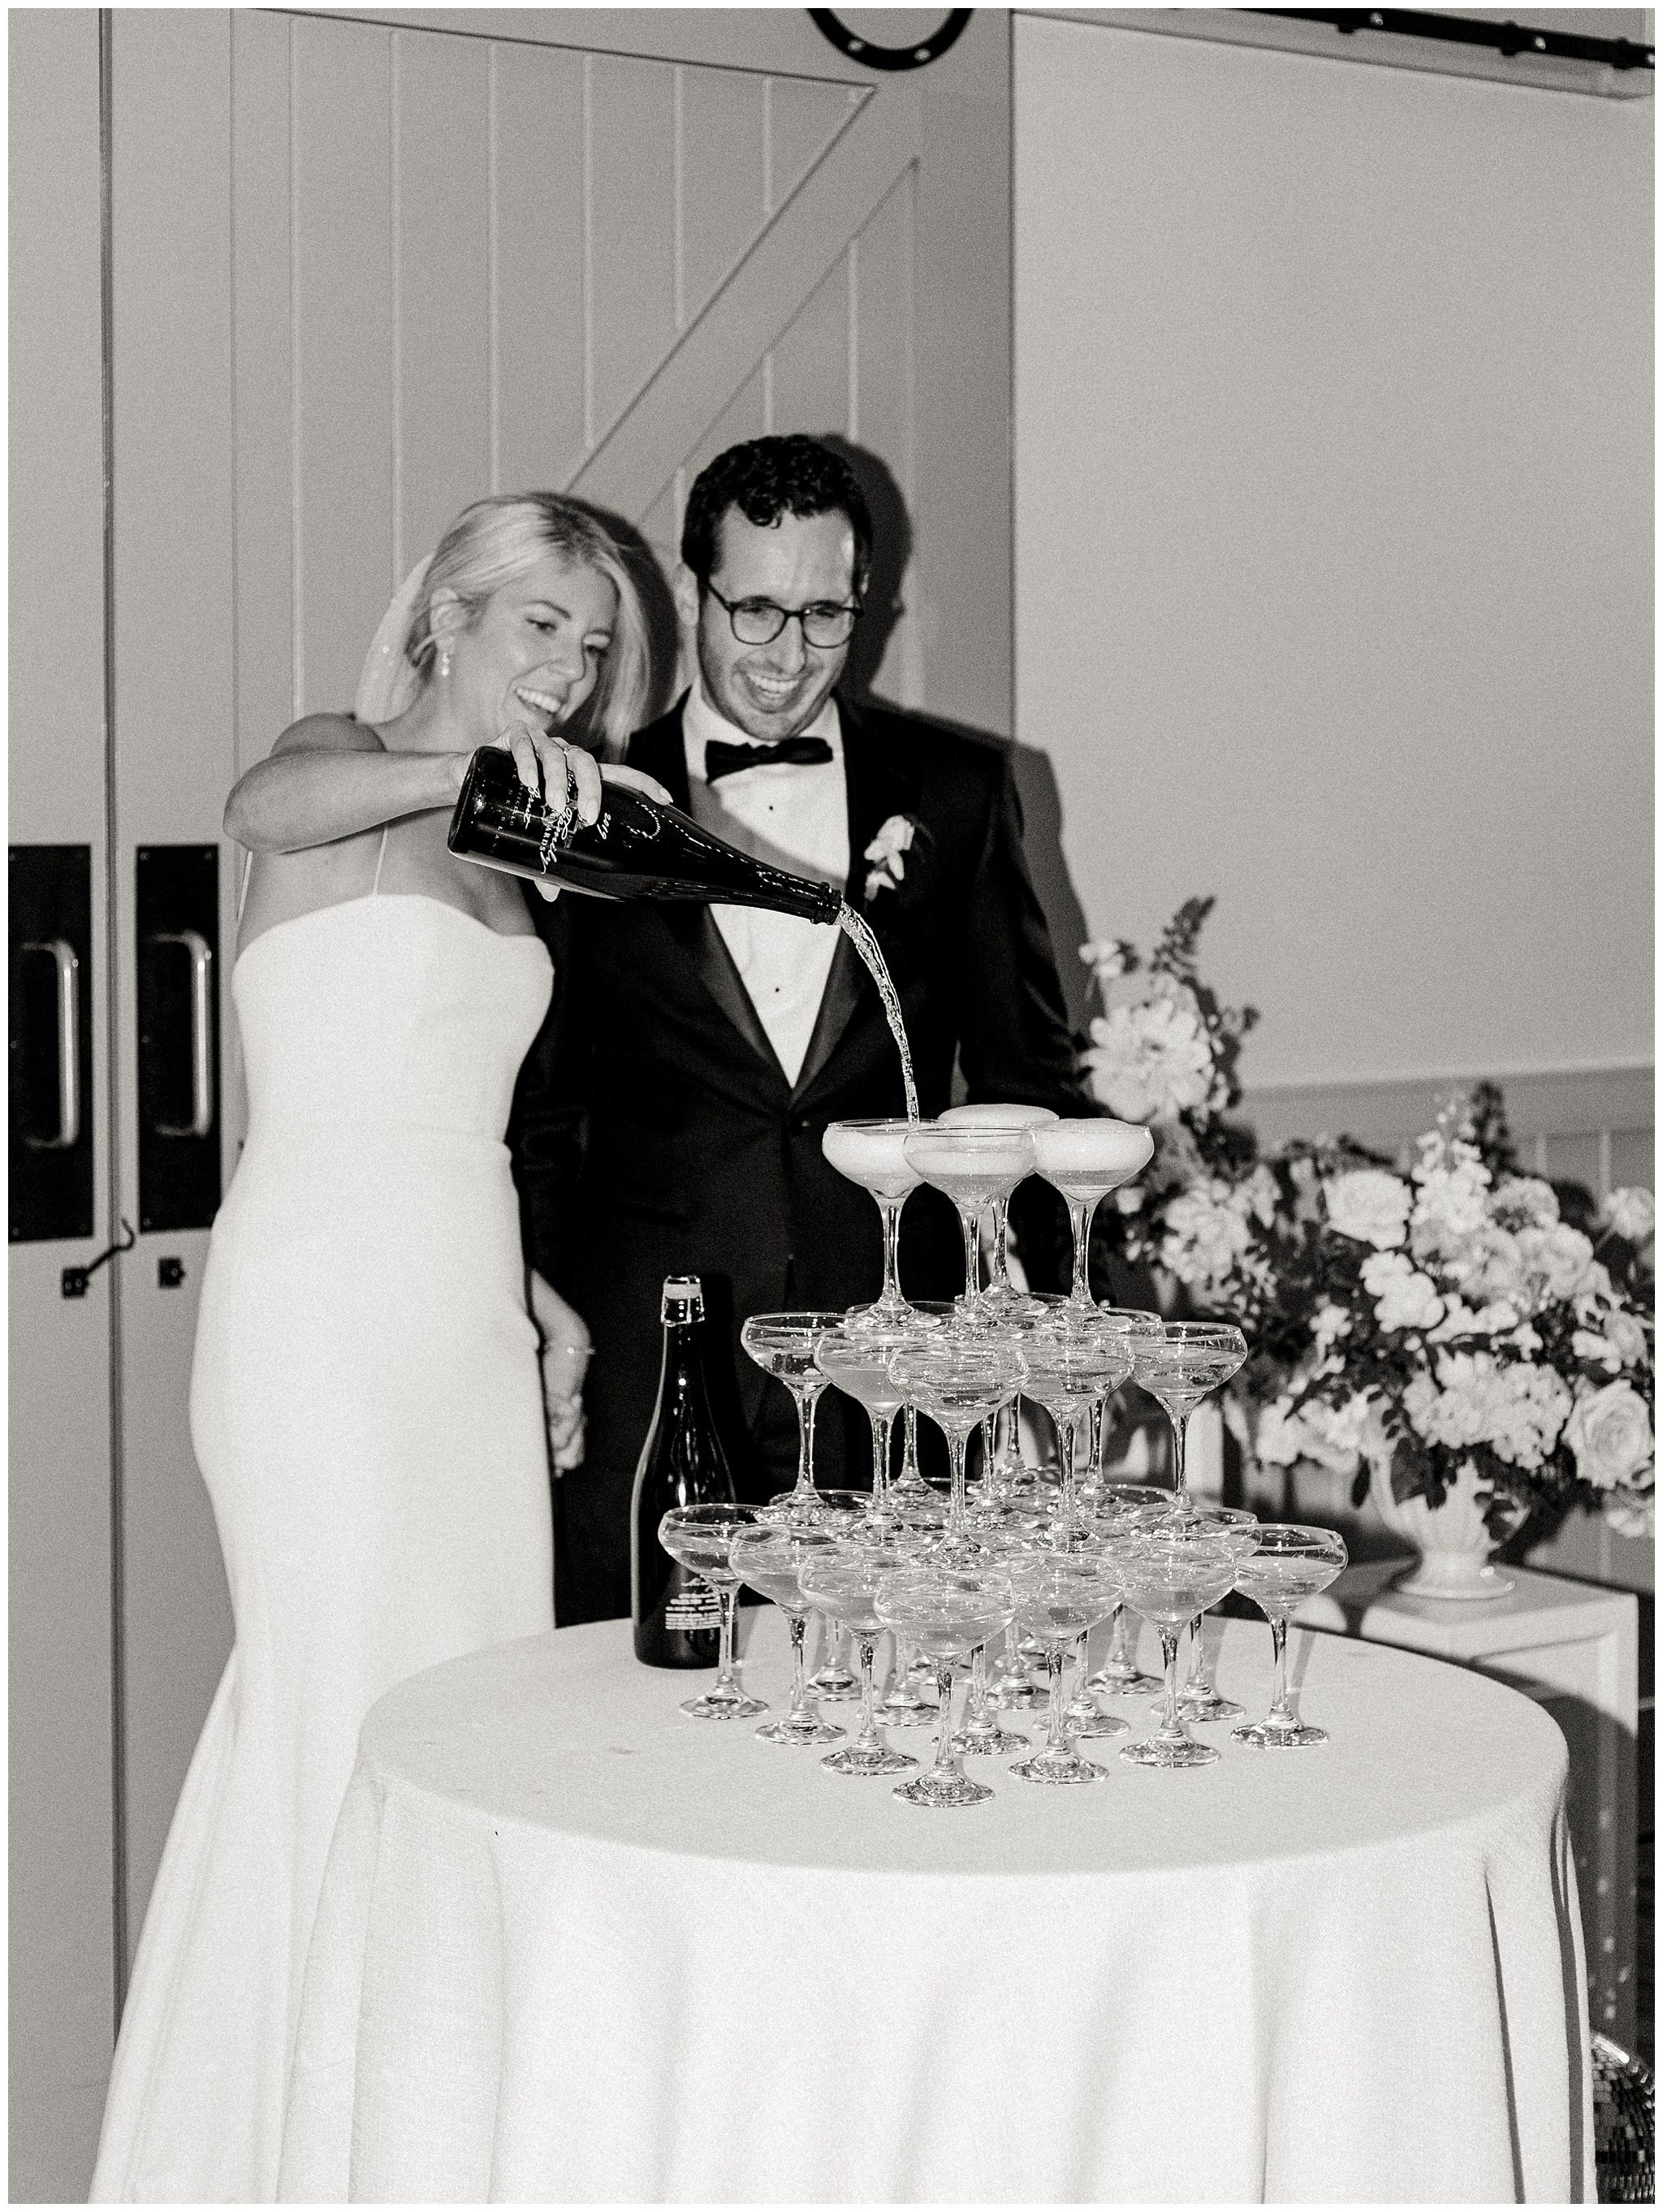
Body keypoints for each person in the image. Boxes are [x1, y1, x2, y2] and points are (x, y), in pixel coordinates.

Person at [90, 493, 665, 2201]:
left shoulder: (516, 858)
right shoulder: (339, 759)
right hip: (316, 1322)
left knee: (464, 1711)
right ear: (445, 621)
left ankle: (437, 2149)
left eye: (591, 641)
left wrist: (537, 1297)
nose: (568, 667)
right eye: (538, 624)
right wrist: (457, 777)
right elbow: (252, 807)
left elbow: (454, 1115)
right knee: (339, 1717)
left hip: (462, 1321)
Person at [509, 435, 1089, 1627]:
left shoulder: (961, 794)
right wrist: (522, 1325)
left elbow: (1031, 1081)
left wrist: (1062, 1346)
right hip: (647, 1366)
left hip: (901, 1363)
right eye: (757, 612)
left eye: (826, 615)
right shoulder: (583, 803)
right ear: (692, 595)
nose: (789, 657)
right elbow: (542, 1115)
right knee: (653, 1722)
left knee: (904, 1710)